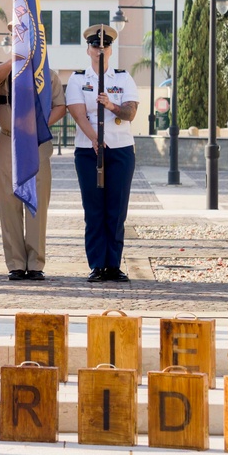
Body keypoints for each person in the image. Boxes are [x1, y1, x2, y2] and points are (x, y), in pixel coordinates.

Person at [65, 24, 138, 282]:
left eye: (105, 46)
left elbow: (131, 112)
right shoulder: (77, 79)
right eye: (95, 46)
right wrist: (95, 139)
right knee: (94, 208)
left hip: (119, 150)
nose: (100, 49)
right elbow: (77, 112)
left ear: (110, 50)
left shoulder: (122, 78)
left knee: (116, 209)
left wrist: (112, 105)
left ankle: (113, 265)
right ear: (88, 49)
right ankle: (97, 264)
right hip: (89, 150)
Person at [0, 61, 65, 281]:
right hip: (8, 141)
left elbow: (60, 106)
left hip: (37, 142)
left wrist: (38, 125)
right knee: (8, 202)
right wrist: (16, 57)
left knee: (37, 202)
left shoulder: (48, 75)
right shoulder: (3, 69)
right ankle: (15, 263)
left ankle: (35, 263)